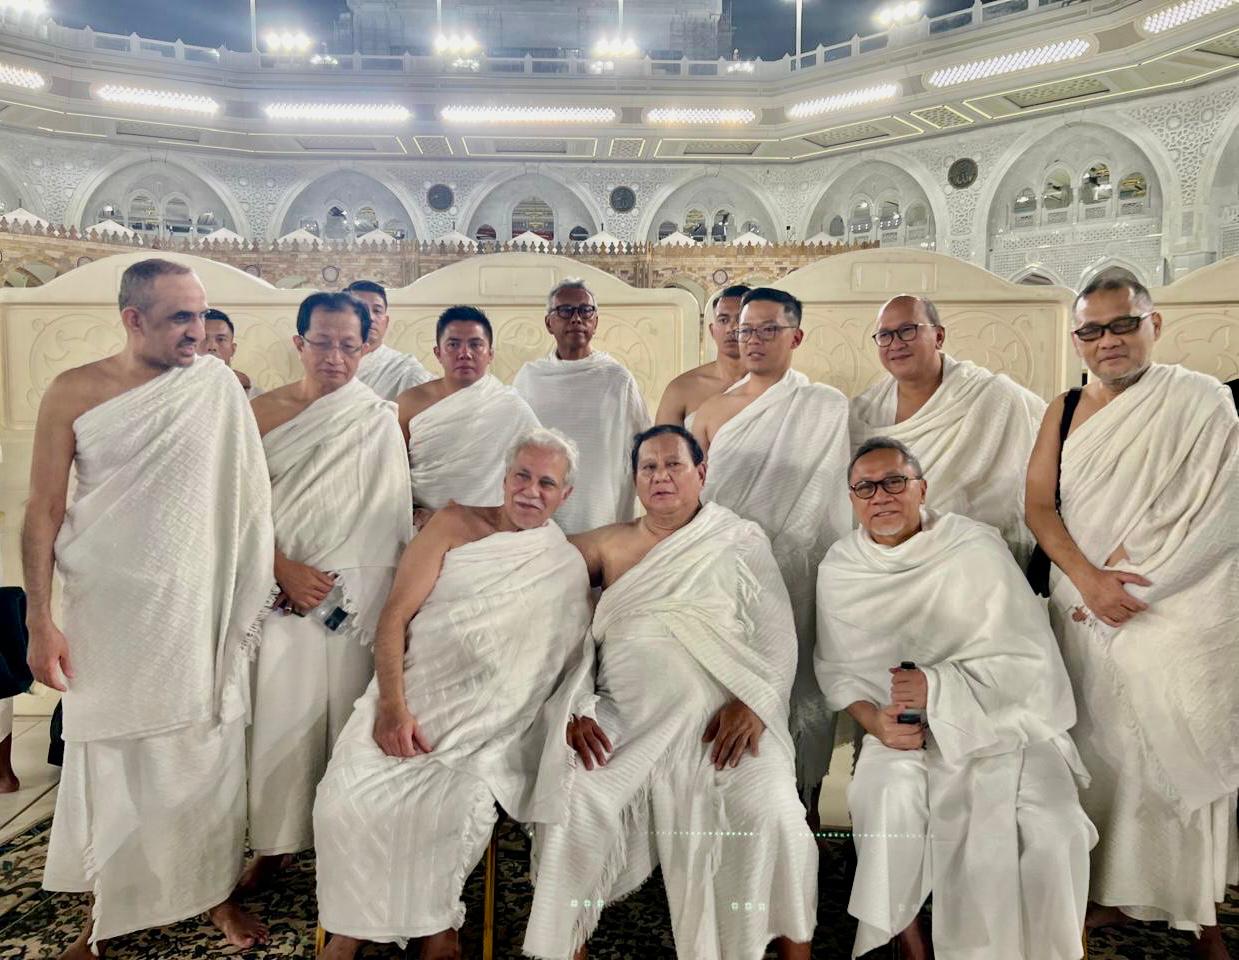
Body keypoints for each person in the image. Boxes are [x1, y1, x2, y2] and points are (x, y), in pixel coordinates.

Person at [23, 259, 275, 957]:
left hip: (196, 606)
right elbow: (43, 508)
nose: (198, 332)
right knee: (109, 757)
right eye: (179, 318)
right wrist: (39, 619)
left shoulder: (215, 388)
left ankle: (213, 892)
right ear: (133, 319)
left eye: (202, 315)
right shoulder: (75, 391)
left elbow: (245, 502)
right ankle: (104, 910)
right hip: (107, 610)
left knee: (201, 751)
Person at [523, 425, 818, 960]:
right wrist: (573, 708)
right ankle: (566, 949)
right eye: (648, 468)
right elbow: (527, 571)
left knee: (775, 811)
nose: (660, 476)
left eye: (673, 465)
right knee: (572, 798)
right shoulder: (606, 543)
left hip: (722, 721)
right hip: (625, 718)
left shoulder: (738, 538)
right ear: (635, 479)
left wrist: (754, 704)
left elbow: (777, 632)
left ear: (701, 472)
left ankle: (794, 952)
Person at [314, 428, 592, 960]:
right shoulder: (452, 524)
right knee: (342, 799)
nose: (531, 491)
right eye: (522, 476)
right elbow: (395, 615)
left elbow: (565, 657)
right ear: (504, 478)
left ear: (566, 495)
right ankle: (350, 929)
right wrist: (391, 707)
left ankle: (434, 928)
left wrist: (568, 710)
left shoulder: (564, 563)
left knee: (454, 804)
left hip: (491, 721)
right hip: (410, 694)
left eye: (547, 483)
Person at [816, 436, 1096, 960]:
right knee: (887, 797)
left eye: (895, 481)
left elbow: (1028, 660)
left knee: (1054, 829)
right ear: (851, 499)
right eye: (865, 488)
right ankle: (910, 939)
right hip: (901, 733)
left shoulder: (974, 546)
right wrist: (875, 723)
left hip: (1007, 725)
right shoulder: (841, 566)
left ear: (921, 488)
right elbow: (839, 672)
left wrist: (938, 687)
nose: (881, 496)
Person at [1025, 277, 1239, 958]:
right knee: (1102, 754)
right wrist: (1089, 582)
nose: (1108, 341)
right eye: (1091, 330)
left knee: (1177, 746)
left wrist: (1149, 579)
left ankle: (1201, 915)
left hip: (1178, 604)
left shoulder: (1201, 401)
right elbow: (1038, 507)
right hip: (1083, 603)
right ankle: (1111, 892)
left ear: (1154, 324)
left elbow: (1222, 510)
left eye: (1123, 324)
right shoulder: (1062, 409)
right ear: (1076, 339)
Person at [243, 291, 413, 890]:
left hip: (354, 603)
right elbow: (236, 508)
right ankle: (275, 846)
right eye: (322, 343)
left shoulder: (376, 417)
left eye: (348, 345)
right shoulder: (258, 414)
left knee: (348, 724)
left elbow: (390, 518)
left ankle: (352, 849)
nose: (335, 357)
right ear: (299, 342)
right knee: (280, 724)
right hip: (276, 594)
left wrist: (361, 593)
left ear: (366, 347)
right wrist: (279, 568)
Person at [691, 287, 851, 800]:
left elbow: (827, 493)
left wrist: (777, 556)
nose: (754, 340)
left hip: (801, 575)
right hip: (725, 579)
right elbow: (699, 500)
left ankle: (806, 807)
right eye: (745, 330)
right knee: (723, 696)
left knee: (800, 690)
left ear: (795, 337)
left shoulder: (825, 405)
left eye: (768, 329)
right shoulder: (711, 413)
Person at [849, 294, 1046, 565]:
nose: (895, 343)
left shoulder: (994, 396)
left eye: (907, 330)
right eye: (885, 335)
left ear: (939, 336)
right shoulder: (862, 412)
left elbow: (1047, 437)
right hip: (884, 553)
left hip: (970, 554)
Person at [513, 279, 650, 534]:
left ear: (595, 322)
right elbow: (514, 447)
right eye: (565, 311)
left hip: (600, 507)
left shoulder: (617, 380)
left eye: (585, 311)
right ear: (549, 323)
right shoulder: (529, 378)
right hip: (540, 502)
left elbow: (642, 448)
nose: (576, 319)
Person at [397, 306, 540, 524]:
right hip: (422, 527)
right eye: (453, 344)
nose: (465, 353)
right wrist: (415, 512)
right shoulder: (409, 403)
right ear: (438, 353)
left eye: (475, 344)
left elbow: (540, 467)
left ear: (490, 353)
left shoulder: (512, 407)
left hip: (491, 528)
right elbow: (391, 472)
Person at [655, 284, 750, 429]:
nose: (732, 328)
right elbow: (661, 442)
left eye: (741, 320)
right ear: (712, 331)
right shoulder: (681, 389)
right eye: (723, 320)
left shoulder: (775, 386)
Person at [346, 279, 434, 400]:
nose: (370, 317)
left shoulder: (405, 369)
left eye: (377, 311)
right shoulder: (327, 363)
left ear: (386, 322)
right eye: (360, 310)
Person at [199, 307, 262, 398]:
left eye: (221, 339)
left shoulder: (252, 392)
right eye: (203, 339)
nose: (212, 347)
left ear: (233, 349)